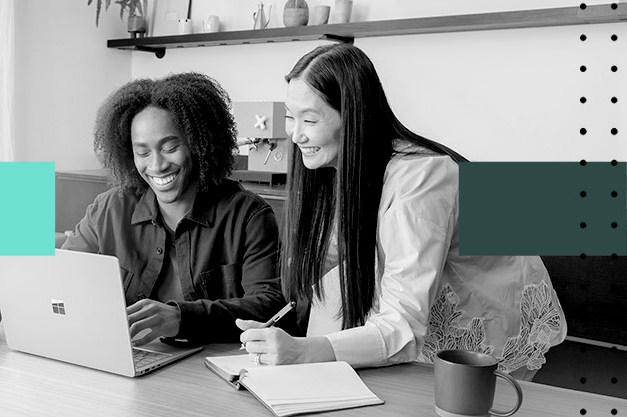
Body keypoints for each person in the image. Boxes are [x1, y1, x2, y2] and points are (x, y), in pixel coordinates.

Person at [237, 44, 566, 380]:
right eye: (290, 117)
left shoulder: (421, 180)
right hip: (423, 328)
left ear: (353, 116)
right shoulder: (344, 171)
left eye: (309, 119)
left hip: (489, 330)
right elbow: (335, 267)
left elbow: (403, 325)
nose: (295, 135)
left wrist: (305, 351)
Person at [62, 72, 288, 347]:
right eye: (142, 153)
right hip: (129, 360)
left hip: (207, 373)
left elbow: (269, 307)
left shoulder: (247, 215)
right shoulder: (110, 208)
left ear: (198, 144)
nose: (156, 166)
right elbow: (62, 277)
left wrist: (182, 318)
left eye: (170, 148)